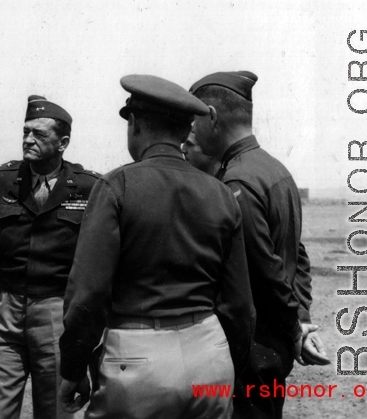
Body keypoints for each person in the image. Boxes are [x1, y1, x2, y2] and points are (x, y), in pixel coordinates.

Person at [58, 75, 255, 419]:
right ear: (185, 130)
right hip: (210, 352)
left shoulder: (116, 186)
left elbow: (87, 296)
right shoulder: (221, 193)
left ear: (135, 124)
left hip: (137, 359)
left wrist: (73, 368)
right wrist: (225, 362)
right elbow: (240, 305)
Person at [190, 70, 329, 419]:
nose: (188, 132)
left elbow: (265, 270)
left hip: (250, 346)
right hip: (271, 343)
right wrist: (300, 319)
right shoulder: (274, 169)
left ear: (212, 116)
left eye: (193, 122)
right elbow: (298, 258)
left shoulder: (237, 179)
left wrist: (296, 329)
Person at [0, 95, 100, 419]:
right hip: (5, 315)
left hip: (56, 315)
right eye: (25, 132)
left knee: (54, 411)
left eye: (39, 134)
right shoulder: (1, 180)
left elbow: (99, 251)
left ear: (63, 143)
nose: (28, 140)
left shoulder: (87, 187)